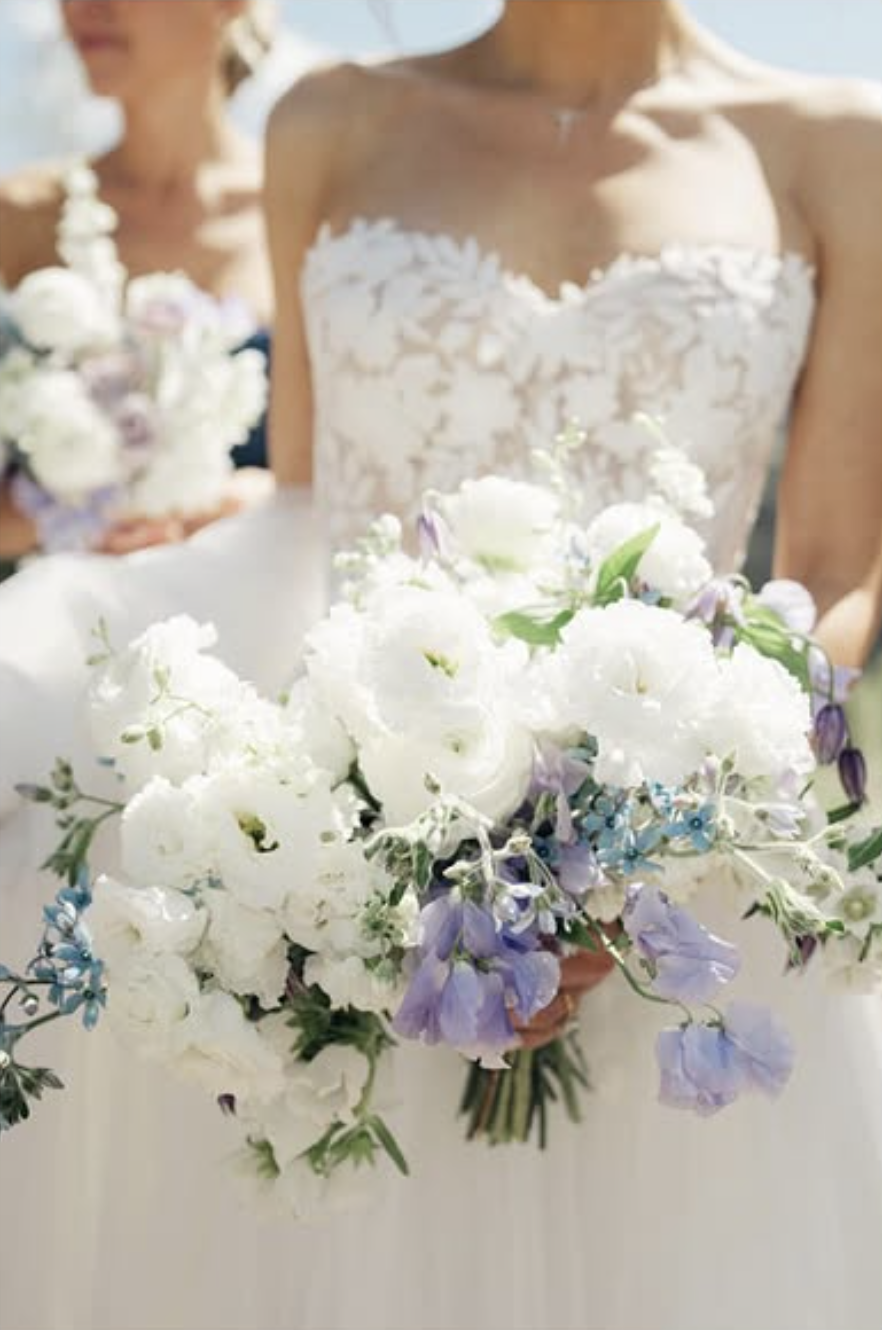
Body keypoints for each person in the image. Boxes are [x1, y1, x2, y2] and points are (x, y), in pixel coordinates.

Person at [1, 3, 882, 1329]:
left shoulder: (834, 143)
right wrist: (116, 595)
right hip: (369, 910)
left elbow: (832, 566)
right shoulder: (330, 122)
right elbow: (304, 513)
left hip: (674, 908)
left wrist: (625, 840)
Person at [0, 0, 276, 560]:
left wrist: (264, 500)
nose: (81, 8)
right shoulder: (22, 213)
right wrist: (62, 518)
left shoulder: (304, 210)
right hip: (57, 626)